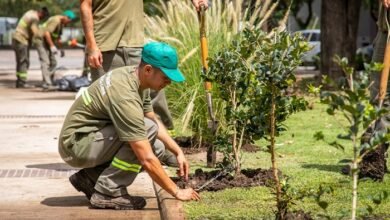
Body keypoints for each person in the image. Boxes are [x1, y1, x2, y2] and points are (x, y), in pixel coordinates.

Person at [59, 42, 200, 210]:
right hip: (76, 145)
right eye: (166, 77)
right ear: (148, 70)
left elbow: (152, 118)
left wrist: (178, 151)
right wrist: (176, 191)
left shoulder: (137, 78)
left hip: (90, 139)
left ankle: (90, 179)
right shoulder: (125, 94)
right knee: (146, 135)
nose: (168, 82)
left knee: (158, 147)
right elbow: (146, 158)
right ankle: (108, 192)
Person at [79, 0, 208, 135]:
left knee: (153, 90)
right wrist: (91, 45)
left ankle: (164, 140)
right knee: (106, 100)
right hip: (104, 46)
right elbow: (85, 5)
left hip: (135, 42)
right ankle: (109, 145)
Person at [344, 0, 390, 180]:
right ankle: (368, 157)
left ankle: (372, 160)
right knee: (377, 94)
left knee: (385, 99)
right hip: (385, 31)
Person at [35, 10, 76, 90]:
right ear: (66, 17)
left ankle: (49, 80)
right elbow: (47, 33)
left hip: (48, 42)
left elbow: (58, 38)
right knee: (45, 61)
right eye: (69, 20)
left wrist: (61, 49)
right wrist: (52, 46)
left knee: (53, 62)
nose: (68, 23)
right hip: (40, 40)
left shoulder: (61, 24)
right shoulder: (55, 20)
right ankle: (47, 83)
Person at [12, 7, 49, 88]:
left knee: (20, 61)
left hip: (15, 38)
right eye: (42, 17)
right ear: (41, 14)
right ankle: (22, 82)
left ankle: (19, 81)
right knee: (24, 62)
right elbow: (35, 32)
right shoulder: (35, 18)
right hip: (22, 40)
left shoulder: (30, 12)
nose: (41, 19)